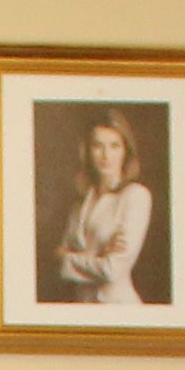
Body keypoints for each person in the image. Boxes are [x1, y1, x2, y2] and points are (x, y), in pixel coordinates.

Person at [54, 111, 152, 304]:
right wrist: (97, 257)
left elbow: (112, 269)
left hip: (118, 307)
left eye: (114, 146)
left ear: (125, 150)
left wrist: (67, 259)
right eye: (98, 146)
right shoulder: (81, 201)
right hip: (81, 308)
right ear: (87, 151)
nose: (106, 155)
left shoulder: (135, 196)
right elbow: (58, 260)